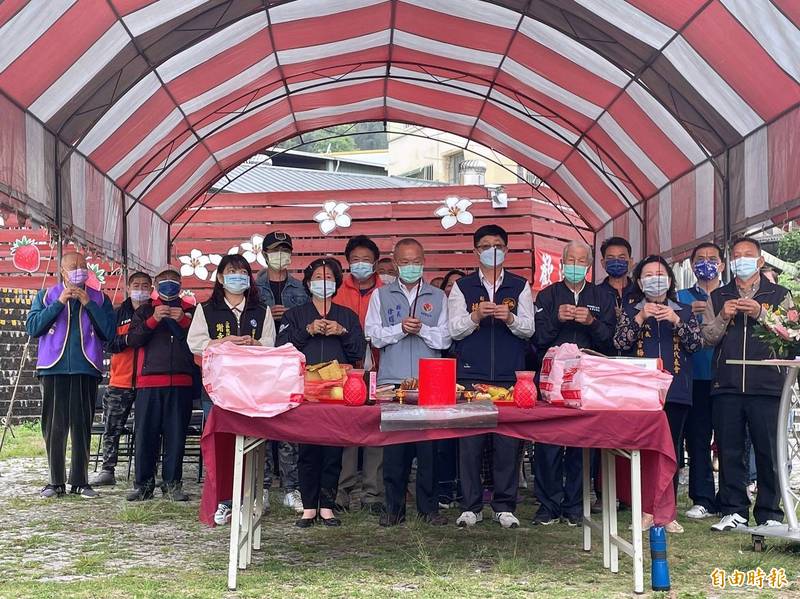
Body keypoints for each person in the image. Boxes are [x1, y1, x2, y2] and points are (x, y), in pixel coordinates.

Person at [702, 237, 793, 531]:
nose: (742, 260)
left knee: (768, 451)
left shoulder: (779, 294)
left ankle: (770, 513)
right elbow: (707, 337)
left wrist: (761, 313)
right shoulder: (718, 296)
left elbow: (791, 334)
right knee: (729, 450)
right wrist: (723, 316)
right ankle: (734, 509)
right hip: (727, 384)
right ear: (729, 264)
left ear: (760, 261)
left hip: (767, 384)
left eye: (748, 255)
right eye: (737, 256)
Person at [448, 224, 535, 529]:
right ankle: (470, 506)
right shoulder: (463, 287)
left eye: (497, 245)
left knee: (507, 444)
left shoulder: (519, 285)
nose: (491, 250)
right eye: (485, 245)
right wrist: (475, 317)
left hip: (508, 377)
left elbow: (529, 328)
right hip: (471, 375)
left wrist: (509, 318)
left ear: (506, 250)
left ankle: (504, 505)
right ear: (476, 251)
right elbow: (453, 330)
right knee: (470, 443)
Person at [365, 238, 451, 527]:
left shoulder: (438, 296)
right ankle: (394, 508)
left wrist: (423, 329)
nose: (411, 267)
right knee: (395, 450)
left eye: (416, 262)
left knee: (429, 449)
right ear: (395, 261)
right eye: (405, 262)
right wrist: (399, 329)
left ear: (424, 260)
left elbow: (446, 338)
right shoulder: (381, 295)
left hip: (430, 380)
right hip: (394, 380)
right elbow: (373, 335)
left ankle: (429, 509)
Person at [614, 255, 702, 533]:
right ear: (639, 281)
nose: (655, 279)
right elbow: (619, 343)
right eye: (649, 275)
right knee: (642, 451)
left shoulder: (684, 310)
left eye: (660, 274)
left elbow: (696, 344)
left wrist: (676, 320)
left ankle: (667, 511)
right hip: (640, 393)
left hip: (676, 391)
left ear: (669, 280)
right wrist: (640, 317)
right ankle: (645, 510)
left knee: (670, 450)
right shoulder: (629, 310)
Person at [187, 254, 276, 524]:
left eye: (243, 272)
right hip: (218, 390)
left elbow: (270, 345)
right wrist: (224, 341)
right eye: (231, 271)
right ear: (221, 278)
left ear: (249, 278)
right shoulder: (207, 309)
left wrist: (254, 346)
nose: (238, 276)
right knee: (220, 445)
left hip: (252, 390)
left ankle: (251, 498)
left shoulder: (261, 310)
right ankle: (223, 501)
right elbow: (195, 343)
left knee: (252, 442)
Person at [277, 258, 365, 527]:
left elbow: (358, 352)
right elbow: (282, 348)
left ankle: (327, 505)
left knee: (332, 449)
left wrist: (342, 332)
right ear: (307, 282)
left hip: (337, 391)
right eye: (317, 276)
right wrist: (307, 331)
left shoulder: (347, 315)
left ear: (337, 283)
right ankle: (308, 507)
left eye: (329, 277)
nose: (323, 282)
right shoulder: (295, 314)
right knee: (307, 450)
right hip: (306, 390)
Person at [533, 240, 615, 526]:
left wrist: (591, 321)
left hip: (588, 381)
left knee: (583, 444)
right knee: (548, 443)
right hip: (552, 383)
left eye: (582, 262)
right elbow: (537, 339)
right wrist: (556, 320)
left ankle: (575, 506)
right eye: (571, 260)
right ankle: (547, 505)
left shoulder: (602, 297)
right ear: (562, 263)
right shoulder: (547, 296)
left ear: (589, 266)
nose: (576, 266)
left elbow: (610, 339)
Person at [26, 252, 115, 499]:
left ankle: (80, 481)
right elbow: (33, 328)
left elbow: (109, 331)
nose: (79, 270)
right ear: (62, 272)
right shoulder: (46, 296)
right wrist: (59, 303)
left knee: (81, 425)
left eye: (83, 266)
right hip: (52, 367)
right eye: (73, 267)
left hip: (86, 367)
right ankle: (55, 482)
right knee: (54, 427)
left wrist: (88, 303)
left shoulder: (99, 298)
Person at [126, 266, 196, 501]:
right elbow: (133, 339)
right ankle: (143, 485)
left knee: (176, 435)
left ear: (181, 285)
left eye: (173, 280)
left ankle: (173, 484)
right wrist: (153, 320)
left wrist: (185, 322)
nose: (168, 284)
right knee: (146, 435)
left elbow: (201, 342)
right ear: (155, 286)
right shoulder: (145, 310)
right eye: (163, 280)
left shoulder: (192, 311)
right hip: (148, 381)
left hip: (182, 380)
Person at [253, 230, 305, 513]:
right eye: (275, 250)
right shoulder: (253, 287)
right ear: (264, 255)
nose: (280, 255)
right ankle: (262, 488)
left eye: (285, 250)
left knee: (288, 428)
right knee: (262, 428)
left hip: (288, 361)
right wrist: (267, 316)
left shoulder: (299, 288)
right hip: (259, 363)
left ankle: (290, 488)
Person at [334, 235, 384, 514]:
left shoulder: (386, 291)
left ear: (376, 262)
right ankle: (343, 491)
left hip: (379, 365)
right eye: (355, 260)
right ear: (347, 263)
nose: (360, 264)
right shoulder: (337, 292)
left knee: (376, 426)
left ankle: (373, 492)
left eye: (366, 260)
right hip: (346, 368)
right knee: (347, 429)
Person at [92, 271, 153, 487]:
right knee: (112, 427)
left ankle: (146, 472)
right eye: (136, 285)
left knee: (148, 430)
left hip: (149, 381)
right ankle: (108, 469)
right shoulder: (118, 313)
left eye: (145, 285)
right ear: (128, 287)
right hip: (121, 380)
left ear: (151, 288)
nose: (141, 289)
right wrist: (129, 339)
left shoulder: (154, 310)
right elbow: (108, 343)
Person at [677, 242, 724, 520]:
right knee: (698, 440)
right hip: (694, 376)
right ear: (692, 265)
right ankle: (703, 498)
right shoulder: (681, 297)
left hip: (726, 377)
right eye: (700, 259)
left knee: (729, 441)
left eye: (712, 259)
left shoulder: (729, 295)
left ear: (721, 264)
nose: (706, 263)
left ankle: (730, 498)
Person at [597, 236, 637, 314]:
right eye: (610, 258)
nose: (616, 262)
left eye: (621, 257)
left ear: (631, 262)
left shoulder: (640, 294)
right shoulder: (595, 293)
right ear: (603, 263)